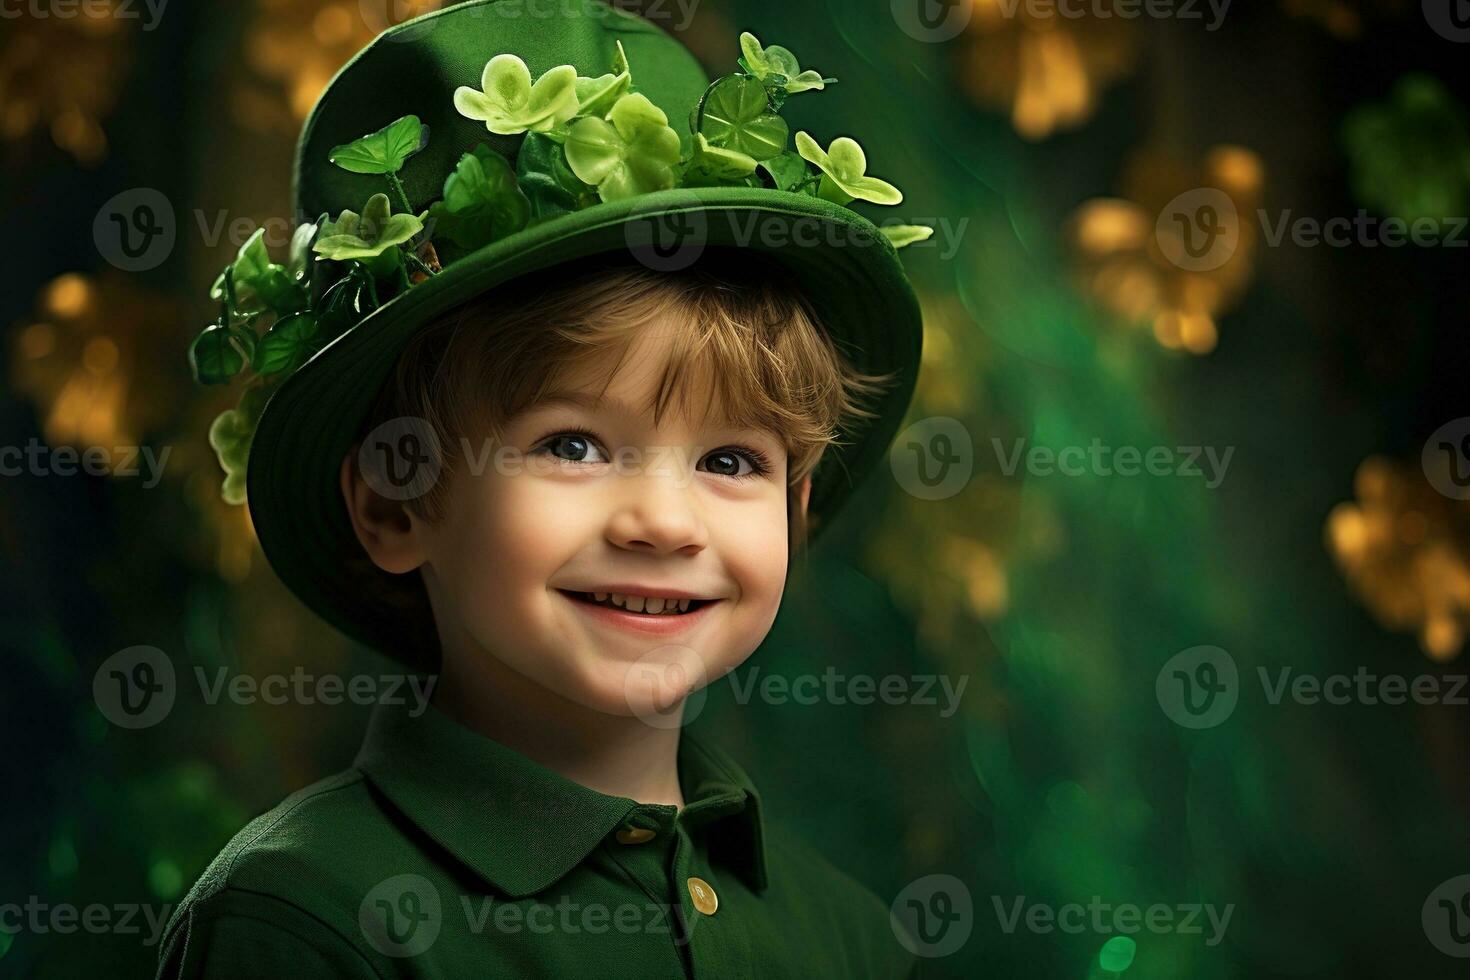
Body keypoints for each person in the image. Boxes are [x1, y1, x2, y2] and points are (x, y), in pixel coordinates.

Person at [163, 1, 927, 976]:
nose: (662, 520)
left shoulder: (847, 937)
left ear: (798, 504)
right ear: (398, 499)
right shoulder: (308, 916)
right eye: (572, 444)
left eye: (731, 461)